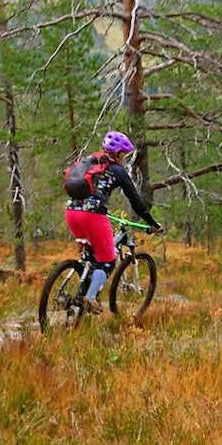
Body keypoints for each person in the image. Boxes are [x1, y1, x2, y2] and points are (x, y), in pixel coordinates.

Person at [64, 130, 163, 314]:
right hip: (93, 215)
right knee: (108, 260)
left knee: (91, 255)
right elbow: (136, 202)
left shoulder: (88, 161)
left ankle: (80, 292)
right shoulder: (118, 170)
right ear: (118, 154)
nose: (124, 158)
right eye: (123, 154)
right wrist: (153, 223)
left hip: (71, 212)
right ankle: (90, 297)